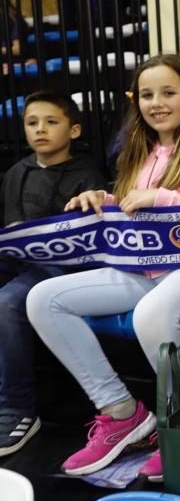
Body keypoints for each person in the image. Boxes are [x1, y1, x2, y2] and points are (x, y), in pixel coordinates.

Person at [25, 55, 180, 480]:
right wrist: (103, 203)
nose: (156, 102)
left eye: (168, 92)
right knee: (43, 298)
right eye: (146, 94)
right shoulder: (139, 153)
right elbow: (131, 212)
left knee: (152, 315)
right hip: (143, 268)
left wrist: (160, 198)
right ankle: (121, 412)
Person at [0, 91, 105, 457]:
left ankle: (17, 409)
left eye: (51, 122)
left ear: (74, 130)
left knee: (10, 301)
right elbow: (12, 227)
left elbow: (85, 240)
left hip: (62, 265)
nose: (40, 130)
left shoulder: (88, 173)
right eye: (32, 123)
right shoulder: (16, 172)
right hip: (20, 258)